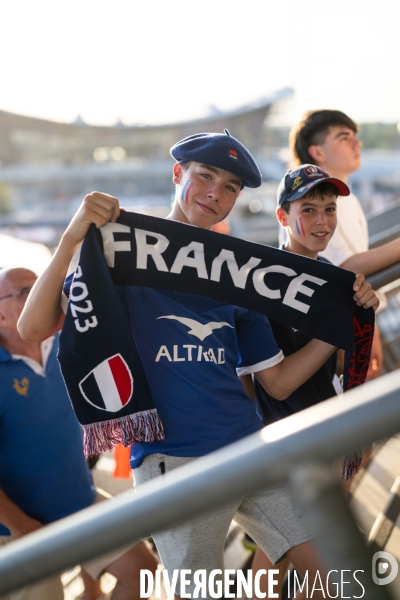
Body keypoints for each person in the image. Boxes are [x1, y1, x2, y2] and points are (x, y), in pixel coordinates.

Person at [18, 131, 378, 600]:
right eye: (204, 176)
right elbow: (32, 328)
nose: (215, 193)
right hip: (176, 462)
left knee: (337, 577)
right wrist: (71, 237)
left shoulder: (238, 274)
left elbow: (278, 382)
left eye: (230, 186)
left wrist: (343, 324)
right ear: (177, 175)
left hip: (251, 452)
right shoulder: (123, 254)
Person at [0, 267, 157, 600]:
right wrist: (20, 527)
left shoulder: (66, 343)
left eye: (44, 284)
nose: (44, 294)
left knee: (142, 570)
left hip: (79, 504)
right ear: (0, 313)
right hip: (16, 529)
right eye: (26, 291)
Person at [246, 164, 358, 598]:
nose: (322, 221)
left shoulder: (329, 274)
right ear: (282, 216)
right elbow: (276, 385)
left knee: (277, 552)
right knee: (320, 567)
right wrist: (340, 326)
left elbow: (338, 360)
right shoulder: (262, 283)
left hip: (318, 433)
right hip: (280, 443)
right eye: (308, 210)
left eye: (329, 210)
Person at [287, 109, 400, 380]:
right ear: (318, 152)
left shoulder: (346, 198)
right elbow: (344, 269)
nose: (357, 143)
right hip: (335, 333)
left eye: (329, 209)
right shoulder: (310, 204)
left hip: (354, 321)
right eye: (344, 137)